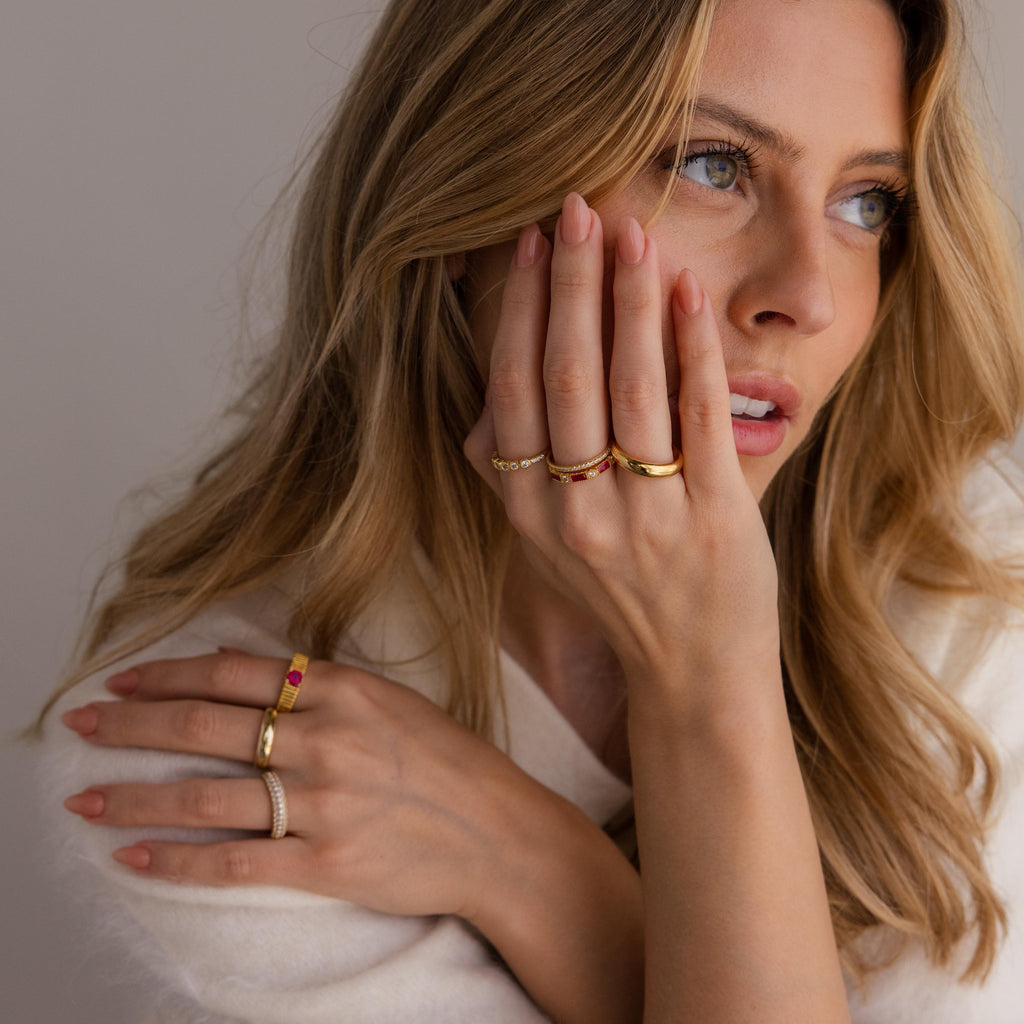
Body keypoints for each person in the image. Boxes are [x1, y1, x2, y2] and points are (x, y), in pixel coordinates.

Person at [36, 0, 1024, 1020]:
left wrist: (539, 859)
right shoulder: (222, 745)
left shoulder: (970, 578)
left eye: (865, 204)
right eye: (712, 164)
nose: (808, 296)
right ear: (468, 199)